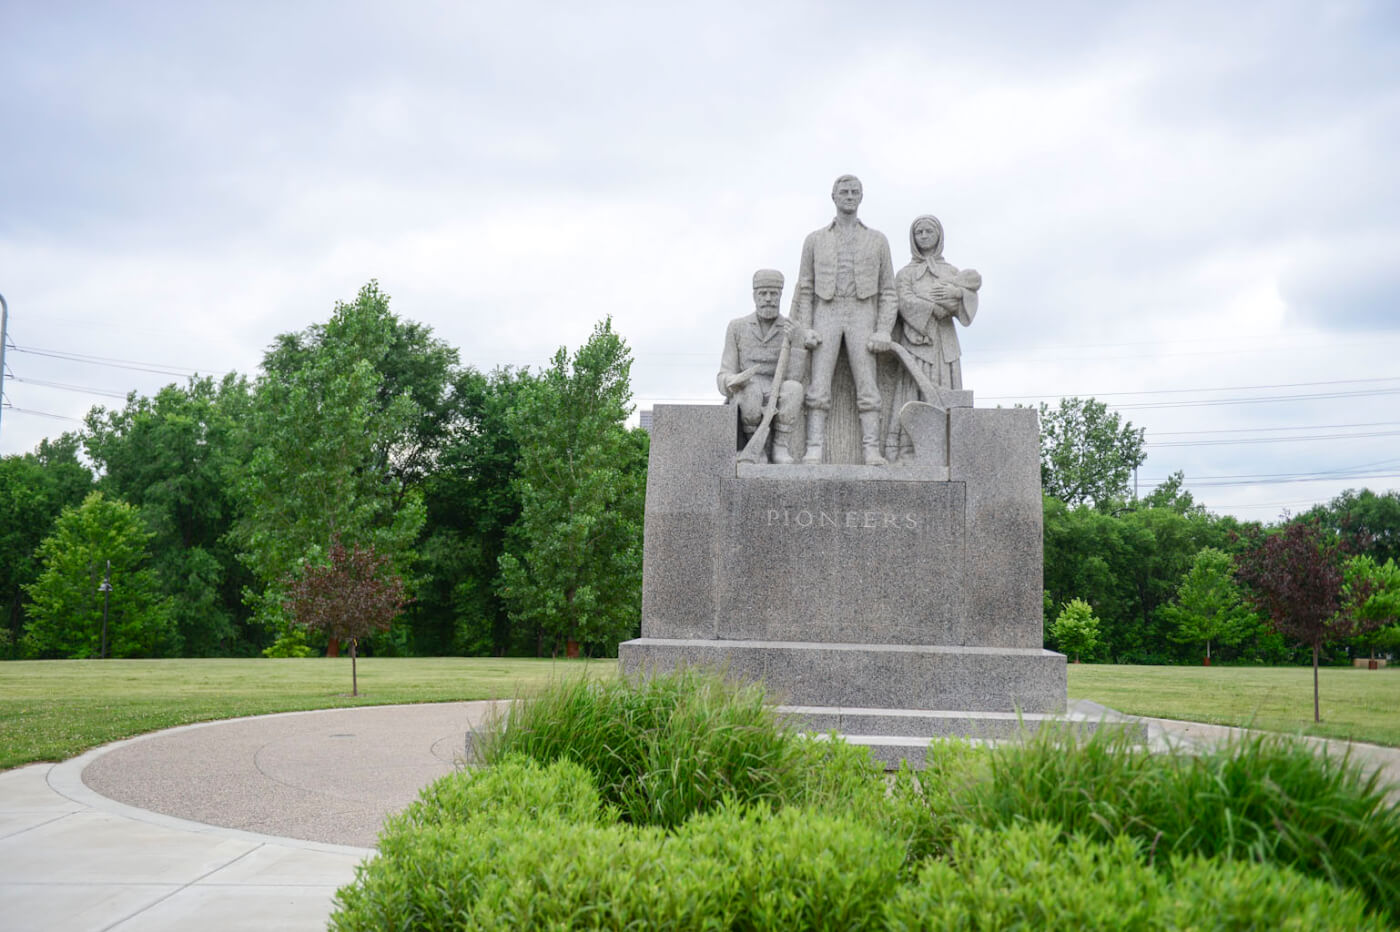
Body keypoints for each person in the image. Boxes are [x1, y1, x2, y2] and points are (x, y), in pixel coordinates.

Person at [790, 174, 897, 465]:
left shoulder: (878, 240)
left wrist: (883, 330)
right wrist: (805, 327)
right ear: (834, 197)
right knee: (818, 382)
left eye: (854, 192)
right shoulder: (814, 239)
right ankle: (813, 447)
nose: (849, 196)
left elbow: (889, 290)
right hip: (826, 310)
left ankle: (871, 449)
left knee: (868, 383)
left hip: (862, 312)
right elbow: (805, 288)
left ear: (861, 197)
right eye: (844, 192)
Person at [886, 214, 981, 461]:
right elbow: (903, 301)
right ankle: (907, 449)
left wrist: (956, 293)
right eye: (919, 232)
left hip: (945, 341)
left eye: (929, 231)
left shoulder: (951, 272)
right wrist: (933, 308)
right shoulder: (905, 274)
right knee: (913, 391)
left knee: (947, 389)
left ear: (939, 235)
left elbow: (967, 301)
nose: (924, 236)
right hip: (916, 340)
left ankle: (950, 450)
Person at [718, 269, 803, 463]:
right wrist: (733, 381)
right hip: (749, 389)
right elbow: (724, 373)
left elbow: (795, 376)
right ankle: (756, 447)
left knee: (794, 388)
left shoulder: (790, 328)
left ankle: (780, 446)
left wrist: (797, 341)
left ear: (780, 296)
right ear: (754, 296)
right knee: (751, 391)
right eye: (763, 293)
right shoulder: (737, 327)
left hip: (777, 387)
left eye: (774, 293)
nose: (768, 299)